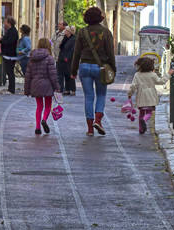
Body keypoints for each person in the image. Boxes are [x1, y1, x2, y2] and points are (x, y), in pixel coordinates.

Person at [70, 7, 115, 136]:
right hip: (100, 67)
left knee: (88, 97)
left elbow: (76, 53)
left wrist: (73, 70)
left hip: (84, 66)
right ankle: (98, 120)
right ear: (99, 17)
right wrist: (113, 68)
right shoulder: (106, 32)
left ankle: (90, 128)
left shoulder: (82, 32)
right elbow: (110, 53)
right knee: (101, 95)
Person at [24, 38, 61, 135]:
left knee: (39, 106)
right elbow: (53, 74)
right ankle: (44, 119)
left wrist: (26, 90)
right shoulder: (49, 58)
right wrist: (57, 87)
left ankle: (37, 127)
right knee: (48, 105)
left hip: (35, 84)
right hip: (47, 84)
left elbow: (28, 75)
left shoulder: (32, 58)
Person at [128, 55, 170, 135]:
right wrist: (168, 74)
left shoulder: (137, 75)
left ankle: (141, 129)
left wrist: (130, 93)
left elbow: (133, 86)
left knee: (141, 113)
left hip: (141, 97)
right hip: (151, 97)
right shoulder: (152, 75)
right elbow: (161, 82)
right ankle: (145, 119)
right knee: (149, 113)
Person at [0, 17, 18, 94]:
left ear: (9, 23)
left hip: (10, 54)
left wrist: (1, 40)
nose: (4, 24)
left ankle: (11, 89)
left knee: (10, 71)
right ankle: (10, 88)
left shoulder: (13, 31)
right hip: (8, 54)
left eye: (5, 22)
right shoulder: (10, 31)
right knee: (9, 71)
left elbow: (9, 42)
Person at [57, 25, 77, 96]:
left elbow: (72, 50)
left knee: (69, 74)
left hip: (68, 59)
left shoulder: (74, 39)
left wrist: (67, 57)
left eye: (66, 30)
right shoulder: (65, 38)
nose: (64, 31)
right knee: (63, 74)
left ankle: (72, 89)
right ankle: (65, 89)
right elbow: (61, 47)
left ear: (69, 32)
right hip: (61, 58)